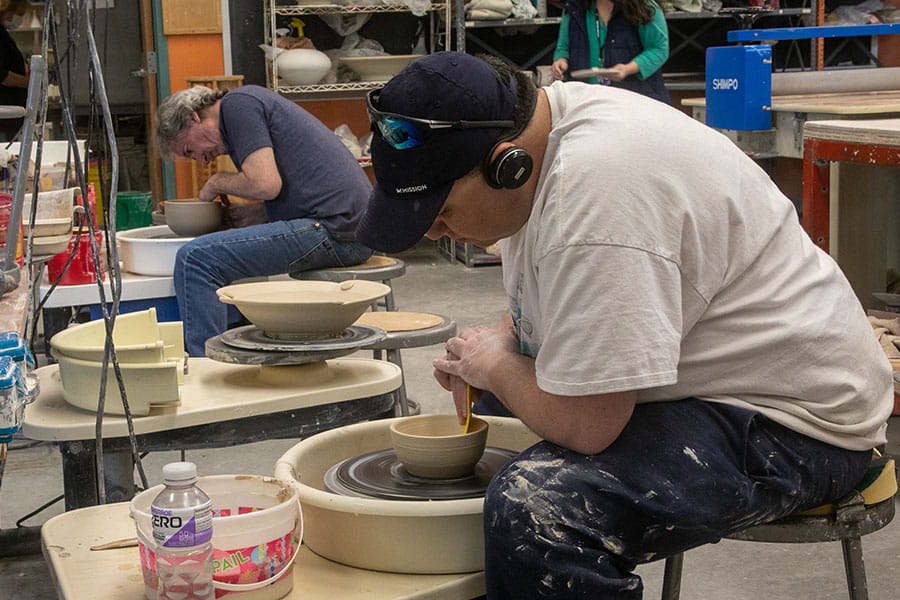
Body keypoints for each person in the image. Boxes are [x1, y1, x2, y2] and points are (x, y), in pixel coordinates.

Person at [356, 52, 892, 599]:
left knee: (539, 507)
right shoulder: (547, 131)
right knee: (492, 406)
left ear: (506, 163)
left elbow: (590, 424)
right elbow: (562, 299)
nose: (439, 234)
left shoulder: (596, 195)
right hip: (717, 375)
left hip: (798, 421)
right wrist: (503, 342)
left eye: (442, 213)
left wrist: (497, 363)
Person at [156, 85, 373, 356]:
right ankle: (244, 350)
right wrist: (251, 215)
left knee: (195, 259)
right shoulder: (243, 109)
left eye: (189, 150)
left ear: (192, 117)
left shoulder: (237, 106)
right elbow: (292, 190)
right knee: (213, 251)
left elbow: (265, 184)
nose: (201, 160)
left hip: (337, 231)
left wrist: (216, 183)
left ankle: (207, 372)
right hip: (348, 226)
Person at [551, 0, 670, 104]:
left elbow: (659, 49)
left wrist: (628, 68)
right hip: (588, 99)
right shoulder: (574, 6)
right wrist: (561, 60)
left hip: (637, 98)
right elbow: (563, 47)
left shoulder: (644, 5)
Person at [0, 0, 29, 141]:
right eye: (18, 14)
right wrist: (28, 83)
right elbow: (2, 75)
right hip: (4, 117)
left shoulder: (3, 34)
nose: (17, 19)